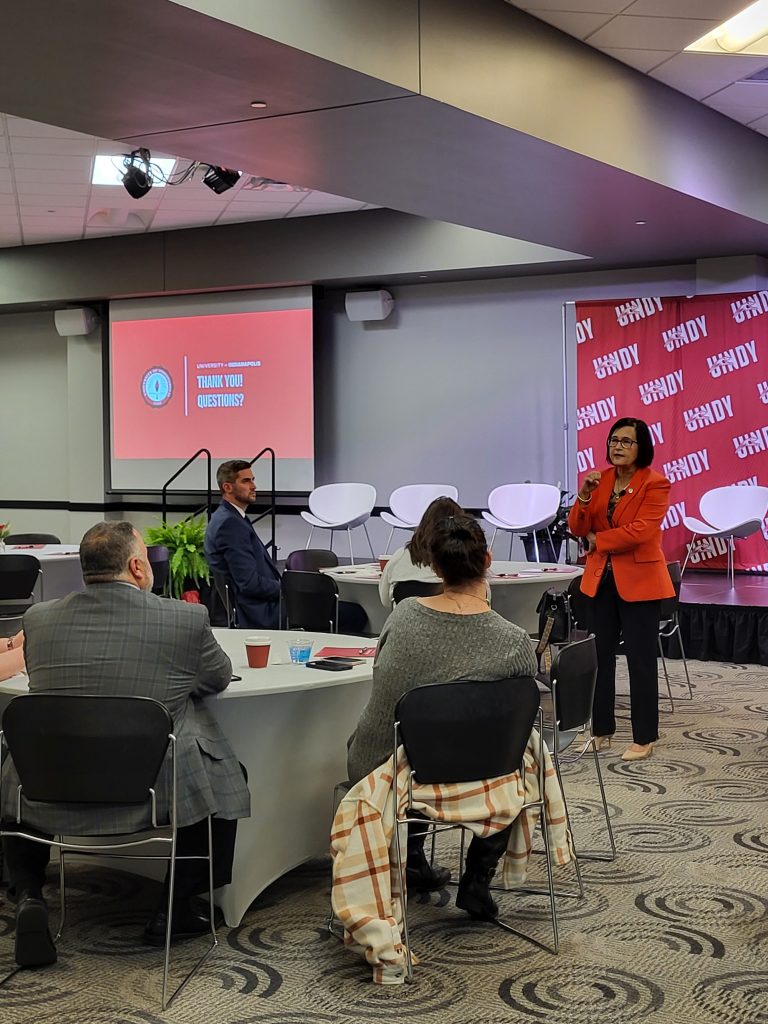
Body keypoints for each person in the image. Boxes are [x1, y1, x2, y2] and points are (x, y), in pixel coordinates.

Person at [0, 522, 251, 967]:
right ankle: (172, 911)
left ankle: (29, 895)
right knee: (220, 769)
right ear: (137, 565)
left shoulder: (39, 619)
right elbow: (216, 677)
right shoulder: (184, 619)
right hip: (149, 791)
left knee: (20, 760)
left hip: (49, 786)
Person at [347, 513, 538, 919]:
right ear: (488, 560)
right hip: (484, 775)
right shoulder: (516, 642)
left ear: (434, 566)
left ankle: (411, 857)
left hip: (398, 775)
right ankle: (477, 880)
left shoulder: (403, 619)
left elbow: (383, 700)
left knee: (411, 742)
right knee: (524, 755)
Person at [568, 416, 674, 763]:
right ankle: (601, 730)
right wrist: (583, 497)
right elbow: (576, 527)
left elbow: (642, 531)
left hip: (640, 583)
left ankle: (644, 736)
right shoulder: (600, 480)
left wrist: (599, 540)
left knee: (641, 660)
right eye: (614, 440)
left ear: (641, 446)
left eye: (626, 441)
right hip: (600, 580)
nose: (618, 446)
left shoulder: (655, 483)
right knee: (600, 658)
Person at [205, 460, 281, 629]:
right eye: (246, 481)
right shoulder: (229, 524)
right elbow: (249, 584)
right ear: (227, 487)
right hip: (260, 612)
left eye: (252, 479)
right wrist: (289, 590)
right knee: (349, 612)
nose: (253, 486)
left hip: (261, 606)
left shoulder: (231, 517)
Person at [378, 496, 462, 609]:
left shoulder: (400, 556)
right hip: (453, 625)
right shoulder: (467, 563)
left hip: (404, 624)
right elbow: (483, 599)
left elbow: (385, 601)